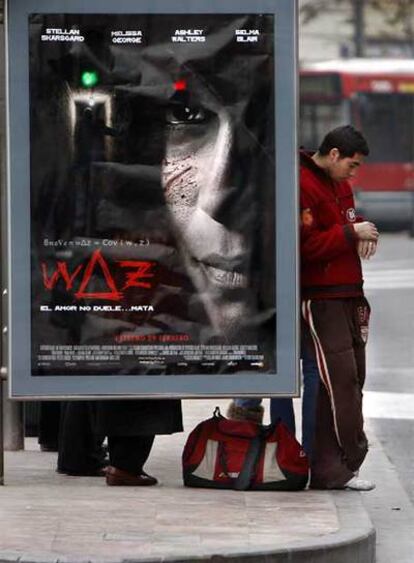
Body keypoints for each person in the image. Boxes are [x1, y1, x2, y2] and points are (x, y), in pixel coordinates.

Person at [229, 125, 378, 491]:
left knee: (329, 378)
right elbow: (303, 246)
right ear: (333, 155)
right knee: (307, 375)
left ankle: (312, 460)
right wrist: (350, 234)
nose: (354, 174)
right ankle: (297, 456)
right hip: (305, 294)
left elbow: (339, 225)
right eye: (352, 165)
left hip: (339, 293)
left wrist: (356, 231)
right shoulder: (298, 184)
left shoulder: (338, 184)